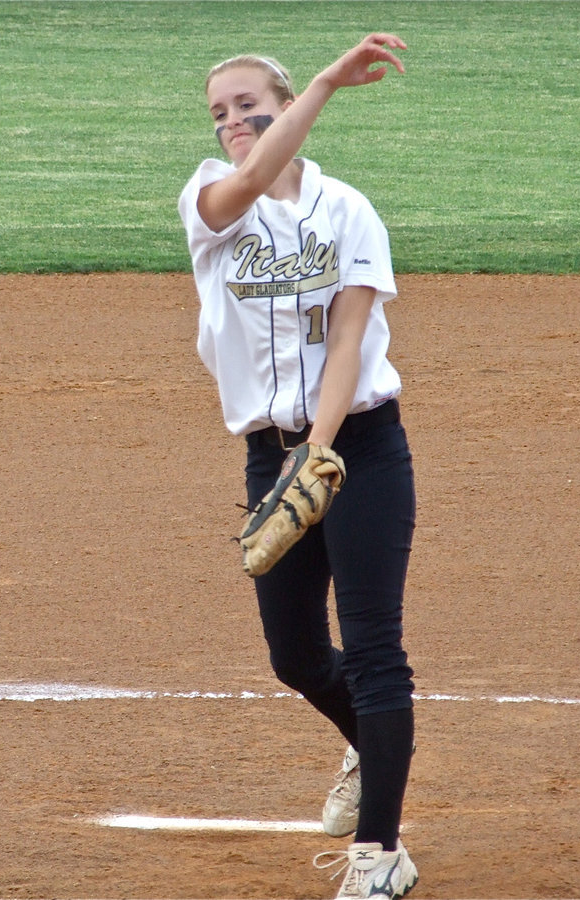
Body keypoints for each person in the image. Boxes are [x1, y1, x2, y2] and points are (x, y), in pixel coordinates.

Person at [177, 35, 418, 900]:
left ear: (285, 103)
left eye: (249, 104)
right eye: (220, 112)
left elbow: (351, 337)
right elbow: (244, 184)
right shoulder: (211, 200)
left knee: (375, 647)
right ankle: (369, 744)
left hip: (360, 448)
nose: (235, 122)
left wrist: (320, 450)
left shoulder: (349, 210)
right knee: (293, 654)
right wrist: (318, 86)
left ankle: (380, 853)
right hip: (268, 456)